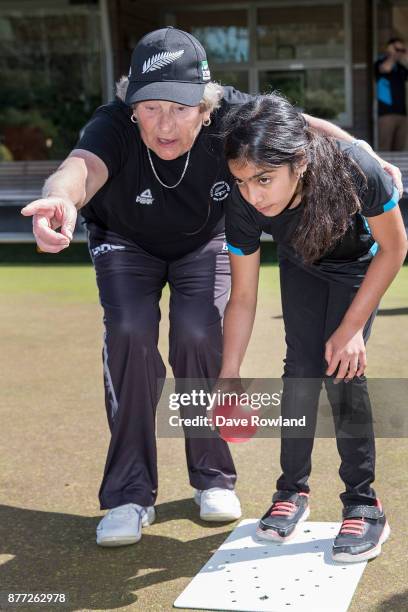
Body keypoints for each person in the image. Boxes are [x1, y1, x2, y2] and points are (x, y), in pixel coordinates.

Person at [21, 27, 403, 549]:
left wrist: (359, 149)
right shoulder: (121, 130)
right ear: (131, 104)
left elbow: (303, 130)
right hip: (129, 243)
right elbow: (80, 167)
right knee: (138, 334)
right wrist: (61, 201)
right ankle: (139, 494)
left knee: (213, 335)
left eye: (179, 108)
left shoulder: (247, 124)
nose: (165, 123)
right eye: (150, 106)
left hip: (250, 249)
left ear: (206, 107)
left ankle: (243, 482)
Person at [220, 93, 407, 563]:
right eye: (243, 181)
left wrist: (351, 329)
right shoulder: (242, 206)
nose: (254, 194)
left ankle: (365, 504)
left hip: (357, 265)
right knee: (299, 370)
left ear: (299, 162)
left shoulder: (354, 169)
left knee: (341, 370)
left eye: (264, 179)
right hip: (302, 261)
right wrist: (230, 372)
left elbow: (394, 248)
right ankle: (292, 492)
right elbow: (241, 297)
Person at [375, 37, 408, 150]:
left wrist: (405, 55)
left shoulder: (401, 68)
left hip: (402, 114)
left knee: (399, 150)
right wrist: (392, 55)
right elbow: (385, 68)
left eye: (402, 50)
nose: (399, 52)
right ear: (389, 49)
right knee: (385, 149)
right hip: (386, 114)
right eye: (397, 49)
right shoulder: (380, 63)